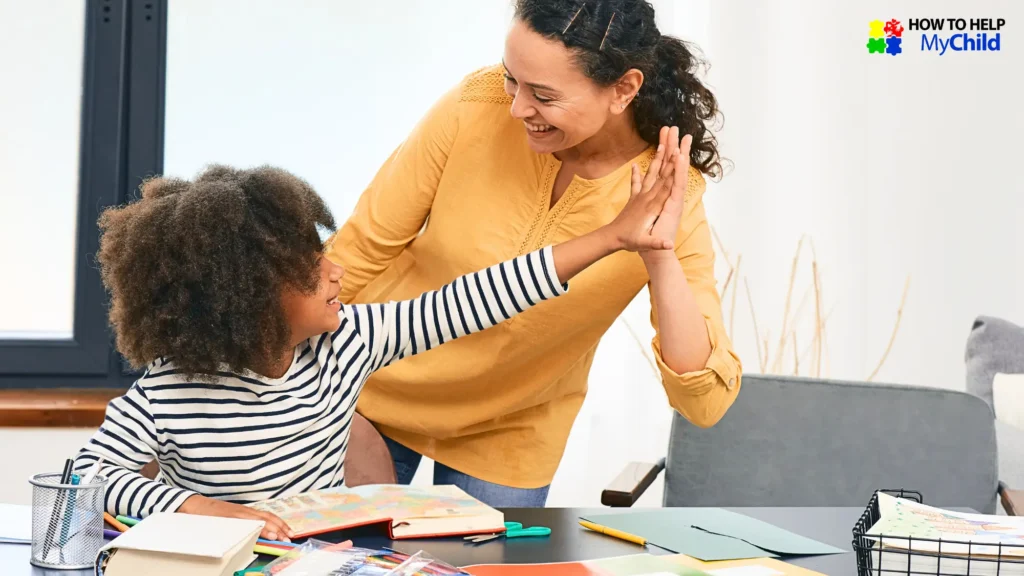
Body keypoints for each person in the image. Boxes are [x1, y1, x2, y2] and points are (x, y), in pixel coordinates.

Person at [72, 153, 686, 540]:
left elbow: (475, 298)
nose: (335, 271)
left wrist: (610, 237)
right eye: (312, 268)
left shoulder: (346, 344)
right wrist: (205, 510)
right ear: (250, 297)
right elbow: (87, 475)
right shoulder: (171, 388)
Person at [325, 0, 742, 507]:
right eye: (511, 79)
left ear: (624, 89)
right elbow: (359, 249)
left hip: (510, 431)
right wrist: (301, 385)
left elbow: (704, 400)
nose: (518, 108)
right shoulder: (475, 107)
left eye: (544, 95)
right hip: (370, 390)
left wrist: (659, 255)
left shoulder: (667, 190)